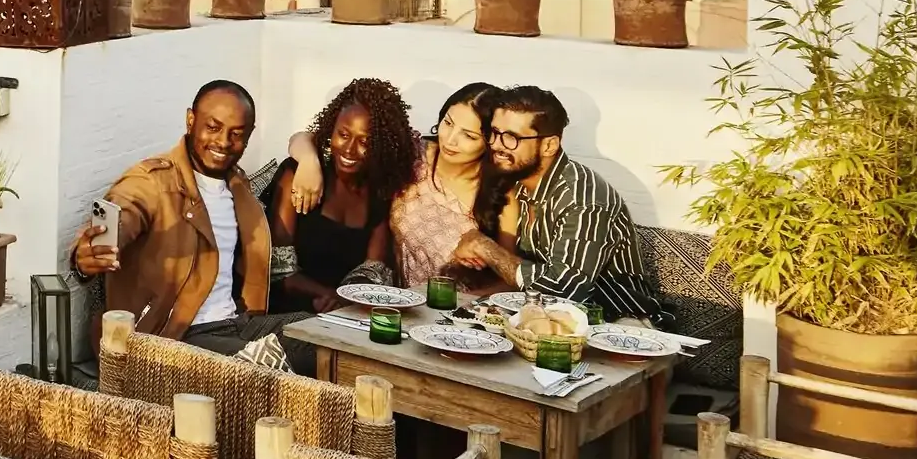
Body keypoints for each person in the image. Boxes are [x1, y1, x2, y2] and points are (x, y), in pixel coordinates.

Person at [68, 79, 289, 354]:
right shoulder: (154, 181)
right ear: (190, 120)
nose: (223, 141)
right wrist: (88, 255)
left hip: (236, 323)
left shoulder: (238, 185)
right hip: (175, 335)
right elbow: (127, 207)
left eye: (236, 133)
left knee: (321, 337)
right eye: (213, 127)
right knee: (260, 366)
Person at [463, 85, 660, 320]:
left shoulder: (584, 199)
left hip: (623, 328)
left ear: (549, 145)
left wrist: (486, 248)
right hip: (545, 321)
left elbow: (563, 290)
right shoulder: (517, 180)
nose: (496, 144)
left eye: (511, 138)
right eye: (494, 133)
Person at [263, 79, 419, 308]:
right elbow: (279, 273)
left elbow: (372, 268)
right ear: (330, 131)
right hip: (285, 309)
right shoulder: (297, 174)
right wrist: (332, 297)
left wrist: (346, 301)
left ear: (381, 145)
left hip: (345, 311)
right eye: (343, 135)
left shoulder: (379, 191)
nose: (349, 149)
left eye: (364, 141)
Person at [389, 83, 512, 293]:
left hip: (453, 312)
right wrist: (310, 152)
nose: (450, 139)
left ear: (491, 142)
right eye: (448, 123)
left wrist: (461, 307)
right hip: (395, 301)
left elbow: (510, 280)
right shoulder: (413, 156)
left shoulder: (500, 192)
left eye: (469, 136)